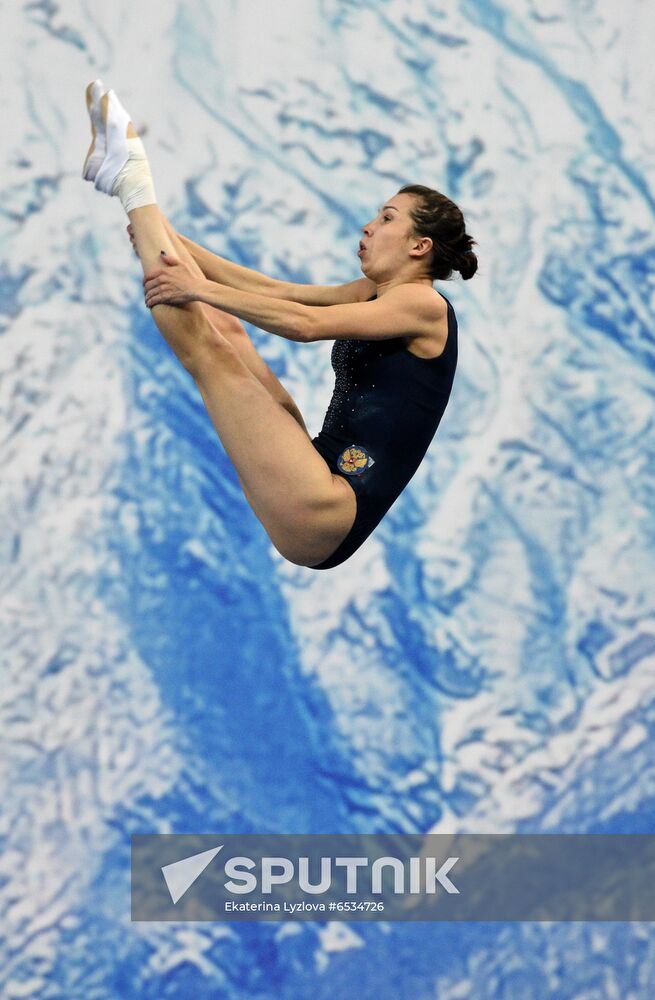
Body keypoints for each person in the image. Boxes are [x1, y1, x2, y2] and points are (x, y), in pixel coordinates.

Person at [83, 80, 478, 570]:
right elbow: (278, 292)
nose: (368, 227)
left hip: (327, 511)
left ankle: (131, 180)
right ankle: (131, 192)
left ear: (420, 246)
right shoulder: (378, 293)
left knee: (212, 354)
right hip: (318, 473)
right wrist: (166, 235)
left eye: (388, 219)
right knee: (227, 331)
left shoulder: (424, 307)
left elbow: (302, 324)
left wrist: (197, 287)